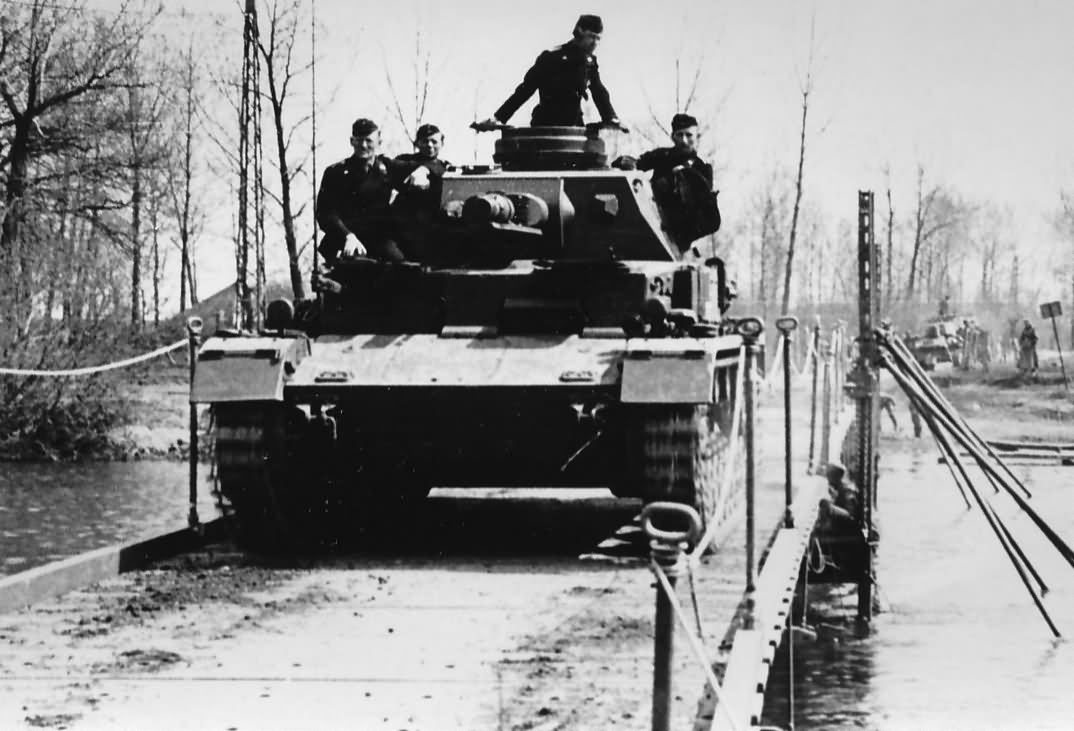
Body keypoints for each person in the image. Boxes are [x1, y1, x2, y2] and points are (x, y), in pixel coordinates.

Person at [476, 15, 620, 128]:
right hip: (546, 124)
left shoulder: (590, 62)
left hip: (574, 126)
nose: (595, 43)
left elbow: (598, 91)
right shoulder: (552, 57)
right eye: (591, 36)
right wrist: (499, 118)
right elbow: (525, 90)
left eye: (598, 38)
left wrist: (610, 118)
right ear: (580, 32)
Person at [316, 118, 406, 264]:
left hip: (379, 240)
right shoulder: (336, 172)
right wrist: (347, 236)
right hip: (344, 240)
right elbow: (325, 213)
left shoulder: (388, 167)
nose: (363, 145)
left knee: (401, 269)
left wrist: (421, 171)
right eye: (359, 140)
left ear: (379, 142)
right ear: (352, 141)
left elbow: (420, 165)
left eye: (369, 140)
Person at [628, 113, 720, 249]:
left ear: (697, 137)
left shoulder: (702, 169)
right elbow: (637, 164)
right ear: (673, 137)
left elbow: (705, 213)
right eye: (679, 135)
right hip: (651, 218)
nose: (684, 140)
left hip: (676, 232)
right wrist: (628, 163)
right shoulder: (662, 156)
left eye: (689, 135)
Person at [392, 123, 453, 262]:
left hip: (433, 225)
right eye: (425, 141)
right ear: (417, 143)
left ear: (442, 143)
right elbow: (393, 167)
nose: (430, 145)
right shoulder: (405, 160)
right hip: (405, 225)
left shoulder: (445, 166)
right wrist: (420, 167)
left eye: (434, 141)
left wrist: (426, 169)